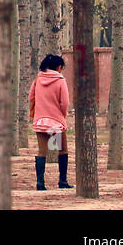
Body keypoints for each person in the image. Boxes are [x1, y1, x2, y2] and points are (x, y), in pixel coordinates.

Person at [28, 54, 72, 190]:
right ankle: (62, 181)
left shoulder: (37, 79)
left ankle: (40, 183)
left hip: (41, 121)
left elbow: (31, 97)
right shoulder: (60, 80)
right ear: (59, 67)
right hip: (55, 123)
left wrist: (37, 113)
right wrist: (62, 116)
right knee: (61, 149)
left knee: (42, 151)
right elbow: (64, 103)